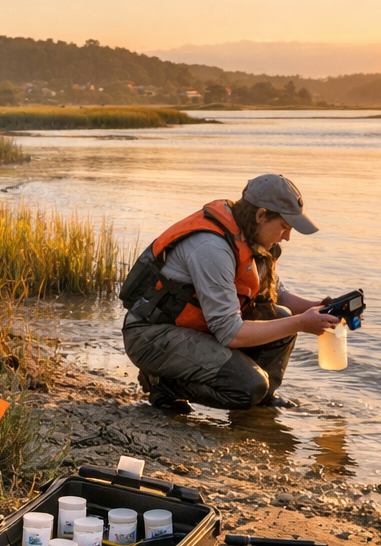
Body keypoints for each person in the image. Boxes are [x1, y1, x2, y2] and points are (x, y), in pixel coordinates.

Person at [121, 174, 341, 413]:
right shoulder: (212, 247)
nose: (287, 237)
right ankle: (164, 384)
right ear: (261, 215)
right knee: (248, 386)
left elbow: (279, 296)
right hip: (152, 336)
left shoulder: (250, 237)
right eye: (285, 227)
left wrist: (323, 308)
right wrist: (300, 323)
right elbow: (230, 333)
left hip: (193, 331)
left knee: (280, 315)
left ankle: (263, 399)